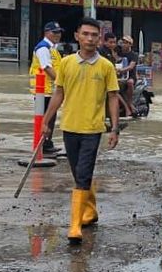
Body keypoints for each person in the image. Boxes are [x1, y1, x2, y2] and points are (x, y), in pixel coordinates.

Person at [41, 18, 121, 245]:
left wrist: (114, 129)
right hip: (69, 127)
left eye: (94, 35)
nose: (90, 39)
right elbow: (59, 94)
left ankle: (75, 225)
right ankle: (91, 210)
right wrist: (46, 122)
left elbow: (113, 97)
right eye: (85, 34)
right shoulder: (66, 64)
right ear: (77, 36)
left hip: (93, 129)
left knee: (83, 172)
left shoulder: (106, 66)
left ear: (99, 38)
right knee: (79, 174)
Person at [30, 21, 64, 155]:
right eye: (54, 32)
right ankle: (42, 146)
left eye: (59, 32)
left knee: (50, 118)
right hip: (42, 92)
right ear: (46, 33)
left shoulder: (52, 48)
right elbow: (47, 68)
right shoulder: (43, 48)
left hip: (49, 91)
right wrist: (61, 82)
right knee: (44, 119)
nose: (58, 35)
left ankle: (47, 144)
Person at [117, 35, 140, 117]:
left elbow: (131, 66)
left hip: (130, 76)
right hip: (118, 76)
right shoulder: (118, 52)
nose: (124, 44)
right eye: (123, 42)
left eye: (126, 43)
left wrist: (121, 70)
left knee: (130, 82)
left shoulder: (134, 55)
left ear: (130, 44)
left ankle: (129, 103)